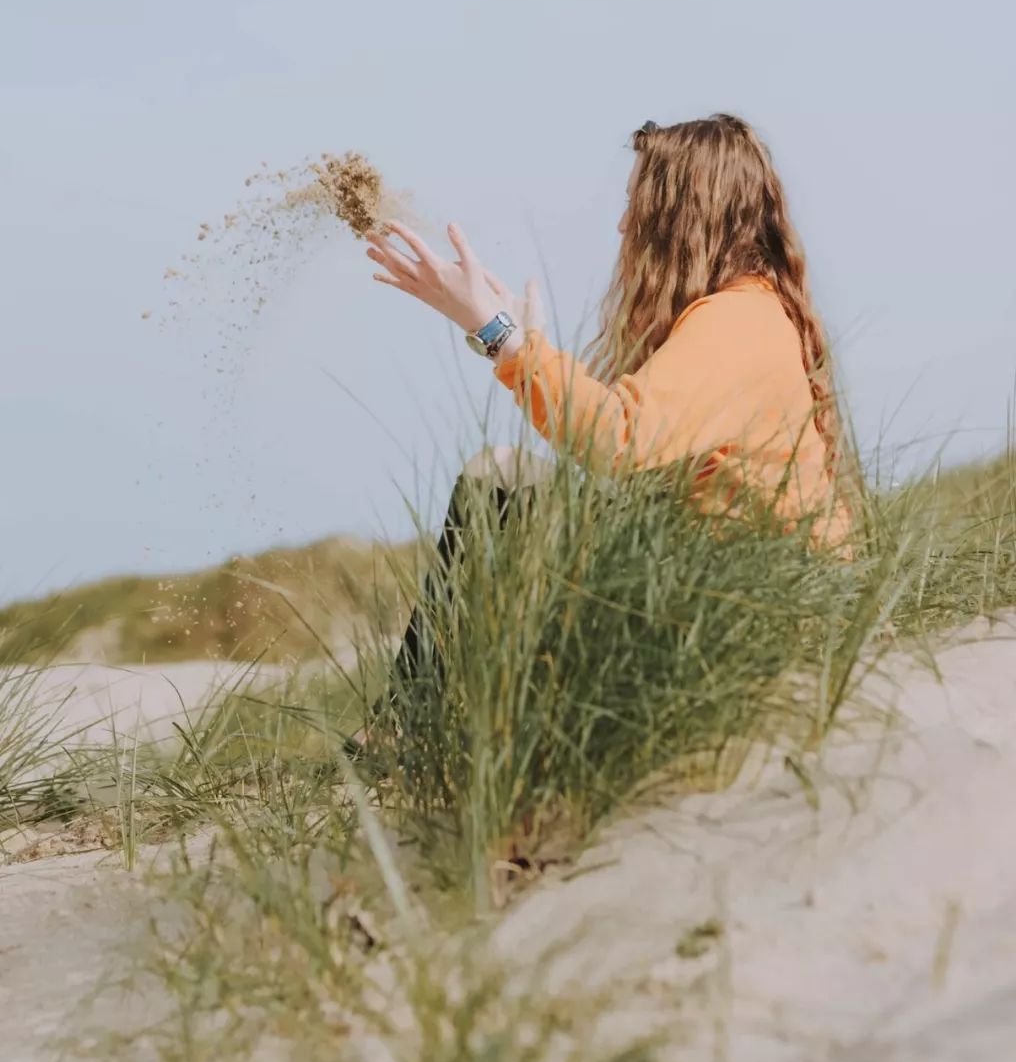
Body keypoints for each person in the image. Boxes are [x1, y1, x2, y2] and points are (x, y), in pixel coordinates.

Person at [364, 114, 852, 710]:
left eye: (637, 205)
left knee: (499, 478)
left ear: (681, 216)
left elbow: (619, 440)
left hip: (758, 620)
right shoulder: (752, 313)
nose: (623, 224)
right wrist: (523, 341)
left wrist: (500, 336)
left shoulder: (736, 320)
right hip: (742, 598)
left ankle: (405, 724)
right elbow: (640, 438)